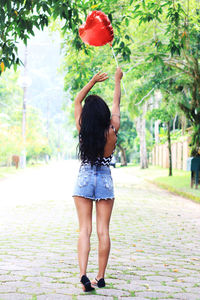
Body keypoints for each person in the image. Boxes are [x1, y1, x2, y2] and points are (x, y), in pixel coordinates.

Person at [72, 67, 123, 292]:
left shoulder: (82, 127)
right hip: (104, 178)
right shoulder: (112, 128)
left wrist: (92, 81)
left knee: (85, 229)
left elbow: (76, 101)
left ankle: (83, 275)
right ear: (103, 114)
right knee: (104, 230)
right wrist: (117, 80)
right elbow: (117, 103)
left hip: (84, 177)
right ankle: (100, 278)